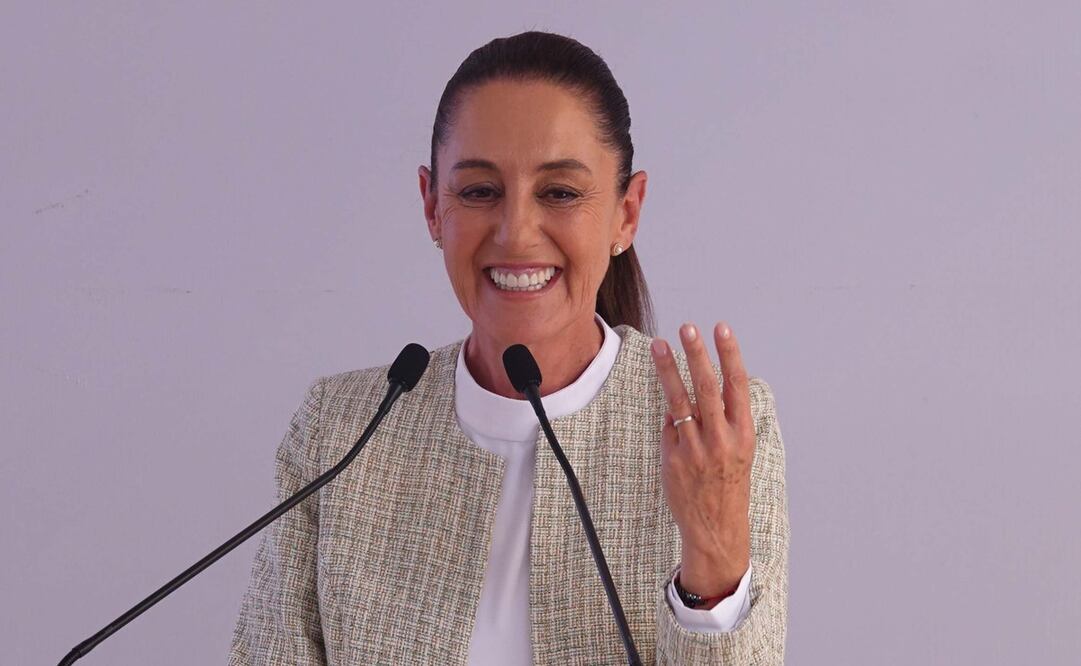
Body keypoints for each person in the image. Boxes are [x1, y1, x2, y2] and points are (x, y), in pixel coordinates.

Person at [229, 30, 789, 665]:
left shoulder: (716, 432)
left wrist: (712, 559)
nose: (516, 232)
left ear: (625, 214)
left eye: (560, 193)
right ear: (432, 206)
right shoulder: (340, 431)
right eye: (478, 191)